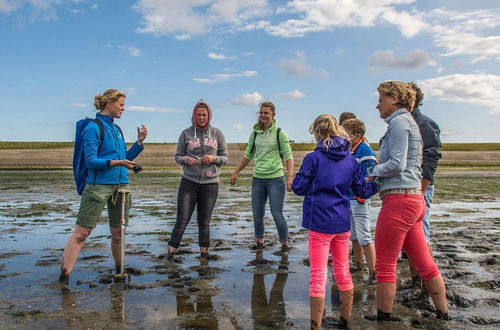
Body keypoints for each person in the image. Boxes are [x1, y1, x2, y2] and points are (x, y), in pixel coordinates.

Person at [365, 81, 449, 321]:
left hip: (399, 202)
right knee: (424, 262)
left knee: (385, 263)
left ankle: (384, 316)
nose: (377, 104)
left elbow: (397, 164)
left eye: (381, 99)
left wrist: (372, 172)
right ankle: (443, 314)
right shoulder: (408, 123)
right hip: (412, 200)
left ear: (395, 99)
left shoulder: (400, 123)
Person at [292, 114, 378, 329]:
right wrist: (378, 183)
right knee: (342, 270)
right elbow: (362, 190)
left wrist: (303, 180)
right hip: (341, 222)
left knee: (318, 275)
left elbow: (299, 188)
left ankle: (316, 325)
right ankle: (344, 320)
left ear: (318, 133)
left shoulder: (313, 158)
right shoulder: (349, 158)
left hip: (319, 222)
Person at [59, 89, 148, 283]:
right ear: (109, 103)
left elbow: (125, 157)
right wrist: (119, 163)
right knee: (82, 233)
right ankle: (64, 277)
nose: (124, 109)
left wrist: (139, 143)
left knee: (118, 233)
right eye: (121, 104)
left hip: (122, 186)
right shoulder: (92, 127)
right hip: (98, 186)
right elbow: (91, 161)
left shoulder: (117, 130)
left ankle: (119, 273)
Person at [167, 100, 228, 260]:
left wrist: (214, 158)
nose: (201, 118)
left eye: (204, 115)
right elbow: (178, 156)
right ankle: (171, 252)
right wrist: (187, 159)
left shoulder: (217, 133)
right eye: (199, 115)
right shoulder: (186, 133)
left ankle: (204, 254)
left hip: (210, 184)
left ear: (209, 116)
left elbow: (225, 157)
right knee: (182, 219)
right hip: (189, 182)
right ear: (194, 116)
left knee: (204, 221)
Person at [230, 102, 294, 252]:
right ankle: (259, 243)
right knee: (257, 214)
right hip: (258, 179)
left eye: (266, 113)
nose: (263, 115)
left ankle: (284, 245)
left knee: (277, 214)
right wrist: (236, 172)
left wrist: (290, 177)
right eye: (261, 113)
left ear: (273, 115)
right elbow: (248, 155)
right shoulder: (254, 133)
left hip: (276, 179)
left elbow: (288, 156)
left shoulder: (280, 133)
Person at [407, 81, 442, 288]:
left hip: (420, 187)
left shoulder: (424, 124)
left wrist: (422, 189)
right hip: (408, 188)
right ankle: (415, 283)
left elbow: (431, 157)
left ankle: (428, 286)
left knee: (421, 234)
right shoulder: (406, 122)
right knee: (412, 236)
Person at [341, 118, 377, 283]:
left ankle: (373, 273)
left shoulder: (365, 151)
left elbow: (370, 176)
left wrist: (363, 195)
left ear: (357, 135)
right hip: (349, 197)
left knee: (364, 236)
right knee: (353, 235)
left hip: (359, 199)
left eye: (347, 135)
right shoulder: (351, 150)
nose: (344, 138)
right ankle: (359, 265)